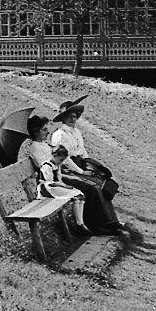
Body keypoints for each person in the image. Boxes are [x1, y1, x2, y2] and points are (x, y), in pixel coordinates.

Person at [48, 99, 121, 233]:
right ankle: (97, 224)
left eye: (75, 116)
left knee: (104, 184)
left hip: (81, 164)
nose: (73, 119)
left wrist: (89, 166)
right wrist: (80, 172)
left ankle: (110, 220)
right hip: (68, 169)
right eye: (69, 116)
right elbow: (65, 159)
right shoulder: (59, 135)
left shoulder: (77, 132)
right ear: (63, 118)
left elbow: (82, 152)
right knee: (93, 188)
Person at [19, 114, 88, 234]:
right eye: (44, 130)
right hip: (48, 186)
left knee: (80, 192)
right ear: (36, 132)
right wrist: (62, 182)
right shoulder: (35, 148)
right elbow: (46, 171)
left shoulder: (44, 145)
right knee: (79, 192)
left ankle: (81, 224)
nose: (47, 132)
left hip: (55, 181)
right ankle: (79, 225)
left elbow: (59, 162)